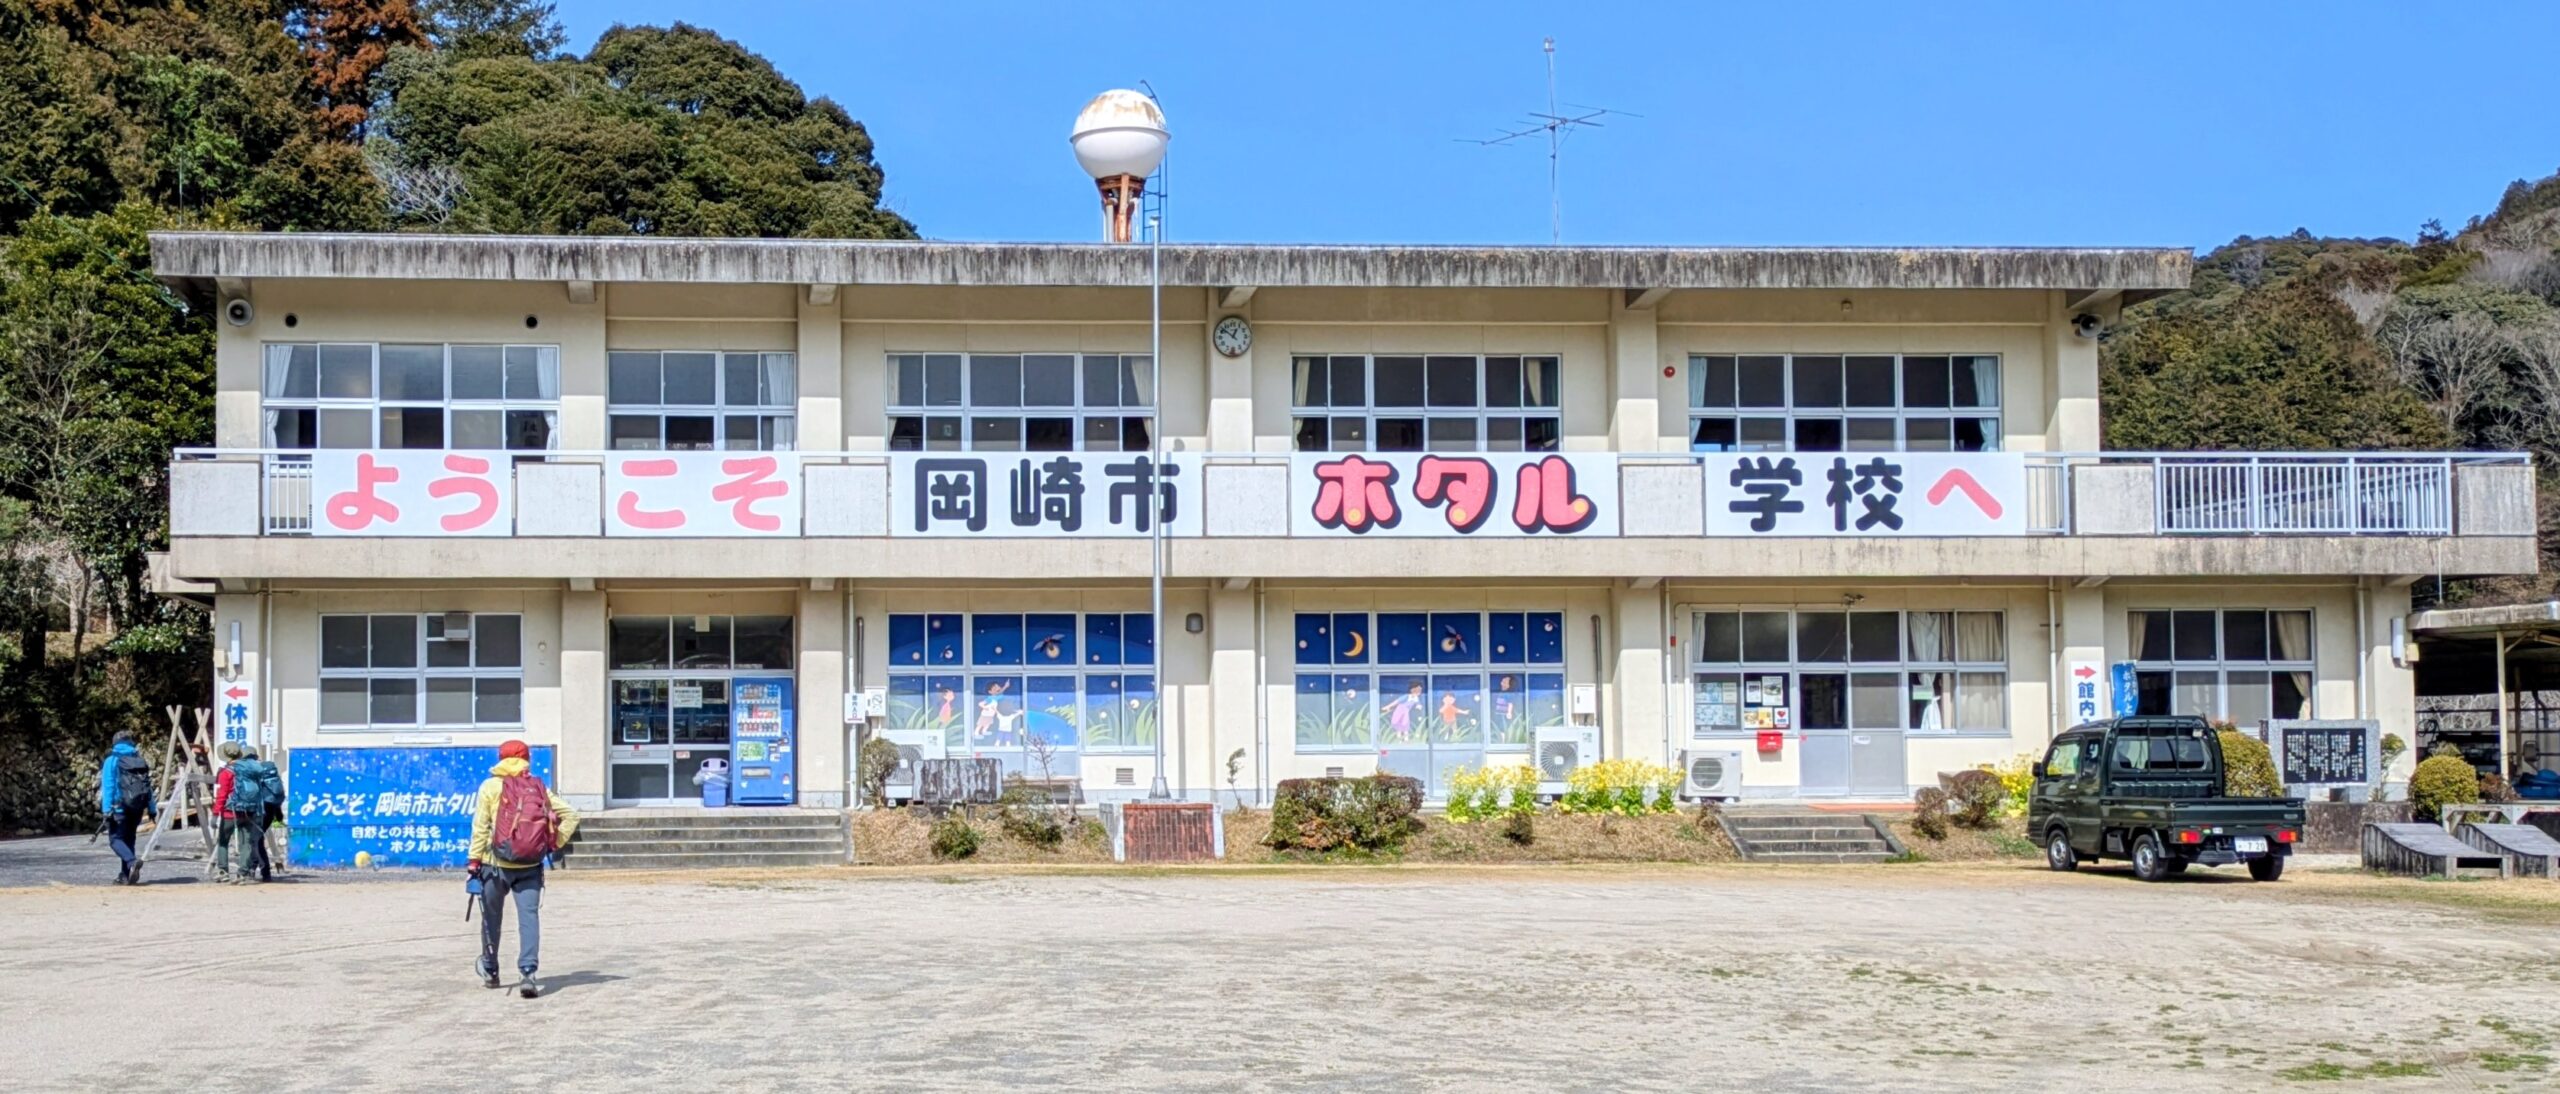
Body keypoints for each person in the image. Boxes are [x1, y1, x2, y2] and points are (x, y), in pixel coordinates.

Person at [468, 740, 580, 999]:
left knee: (491, 918)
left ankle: (490, 969)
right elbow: (572, 815)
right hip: (531, 865)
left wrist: (474, 860)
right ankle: (528, 972)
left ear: (501, 758)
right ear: (526, 759)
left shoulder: (490, 787)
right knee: (529, 918)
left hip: (494, 865)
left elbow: (480, 827)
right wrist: (553, 843)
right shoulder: (538, 787)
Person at [98, 731, 155, 885]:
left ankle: (131, 862)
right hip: (137, 808)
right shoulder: (139, 760)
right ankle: (125, 875)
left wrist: (106, 810)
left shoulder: (112, 760)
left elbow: (108, 787)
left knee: (115, 840)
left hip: (119, 808)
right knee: (129, 840)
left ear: (114, 743)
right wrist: (152, 809)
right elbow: (147, 787)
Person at [223, 746, 284, 884]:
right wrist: (279, 813)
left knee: (255, 841)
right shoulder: (267, 768)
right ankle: (255, 869)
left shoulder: (250, 769)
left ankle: (264, 872)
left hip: (259, 809)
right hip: (272, 808)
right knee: (256, 839)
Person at [210, 741, 243, 881]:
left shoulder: (225, 773)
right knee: (245, 843)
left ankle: (223, 871)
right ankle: (244, 872)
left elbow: (221, 795)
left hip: (229, 812)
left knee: (223, 841)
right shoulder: (246, 770)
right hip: (247, 811)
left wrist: (215, 814)